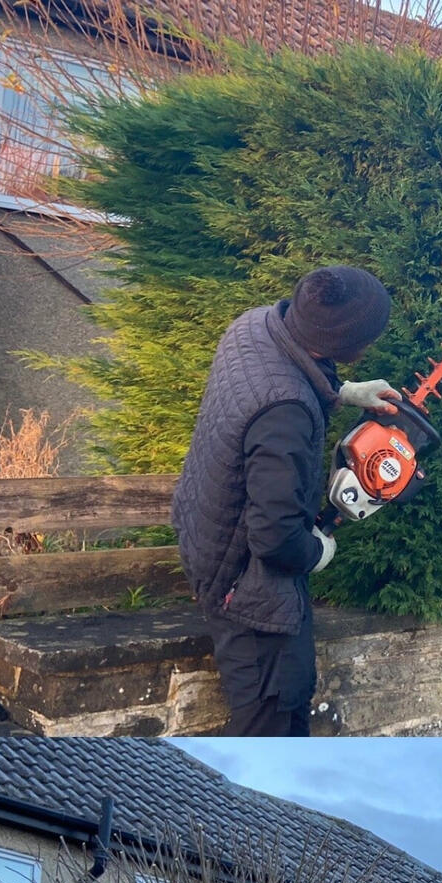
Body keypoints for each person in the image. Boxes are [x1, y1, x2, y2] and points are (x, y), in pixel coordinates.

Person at [171, 266, 400, 736]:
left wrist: (344, 392)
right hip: (247, 590)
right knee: (273, 718)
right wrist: (319, 551)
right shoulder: (286, 413)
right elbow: (275, 538)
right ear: (348, 345)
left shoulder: (256, 326)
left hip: (209, 538)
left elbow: (282, 375)